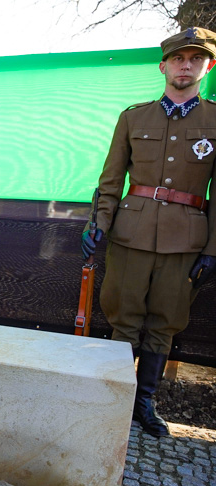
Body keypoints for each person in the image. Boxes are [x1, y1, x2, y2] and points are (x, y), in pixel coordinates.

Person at [82, 27, 216, 438]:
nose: (186, 65)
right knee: (123, 317)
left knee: (165, 321)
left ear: (208, 65)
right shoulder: (133, 117)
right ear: (163, 65)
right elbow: (111, 180)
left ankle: (145, 403)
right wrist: (99, 222)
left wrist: (213, 249)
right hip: (130, 234)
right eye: (178, 58)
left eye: (195, 58)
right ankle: (116, 399)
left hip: (185, 240)